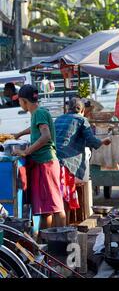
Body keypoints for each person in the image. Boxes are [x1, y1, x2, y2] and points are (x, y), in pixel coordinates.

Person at [13, 85, 66, 230]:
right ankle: (44, 242)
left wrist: (26, 151)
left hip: (46, 163)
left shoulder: (39, 113)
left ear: (24, 101)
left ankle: (63, 241)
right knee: (45, 210)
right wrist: (19, 134)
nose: (19, 104)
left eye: (19, 101)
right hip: (43, 163)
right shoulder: (37, 113)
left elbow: (46, 135)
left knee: (55, 206)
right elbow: (36, 128)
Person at [54, 98, 111, 223]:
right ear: (83, 110)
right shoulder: (81, 120)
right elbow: (91, 140)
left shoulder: (58, 119)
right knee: (66, 199)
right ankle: (65, 229)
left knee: (57, 198)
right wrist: (103, 141)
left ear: (68, 109)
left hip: (53, 162)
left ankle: (58, 229)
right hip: (67, 163)